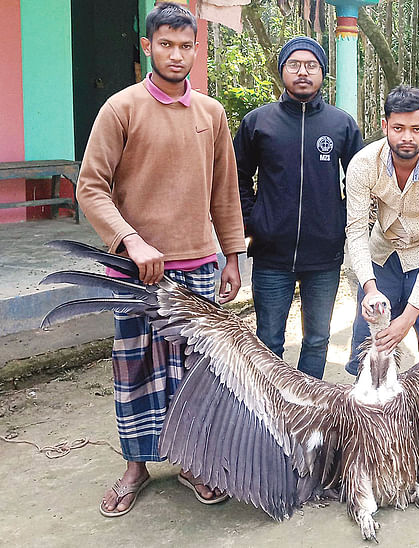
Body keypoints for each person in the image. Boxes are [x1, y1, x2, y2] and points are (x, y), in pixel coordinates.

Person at [76, 2, 246, 516]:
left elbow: (226, 193)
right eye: (166, 45)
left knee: (194, 373)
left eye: (186, 45)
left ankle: (193, 460)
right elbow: (91, 187)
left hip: (198, 266)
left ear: (197, 50)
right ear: (148, 47)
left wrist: (232, 257)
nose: (177, 55)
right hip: (135, 273)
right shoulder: (120, 108)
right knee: (136, 369)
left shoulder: (211, 114)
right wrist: (131, 240)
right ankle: (136, 466)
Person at [234, 36, 364, 380]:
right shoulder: (258, 123)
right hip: (270, 254)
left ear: (323, 73)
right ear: (282, 71)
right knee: (268, 341)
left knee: (317, 339)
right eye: (294, 64)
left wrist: (340, 222)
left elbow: (361, 182)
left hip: (324, 255)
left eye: (311, 65)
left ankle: (310, 412)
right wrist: (254, 221)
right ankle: (270, 413)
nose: (302, 72)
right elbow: (237, 176)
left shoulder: (341, 125)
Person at [345, 85, 419, 374]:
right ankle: (367, 410)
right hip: (384, 251)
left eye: (416, 129)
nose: (407, 137)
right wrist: (370, 289)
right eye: (398, 128)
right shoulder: (362, 164)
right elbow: (356, 230)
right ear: (384, 125)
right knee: (367, 336)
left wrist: (407, 319)